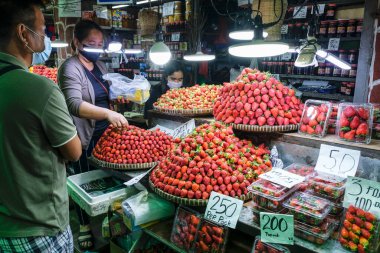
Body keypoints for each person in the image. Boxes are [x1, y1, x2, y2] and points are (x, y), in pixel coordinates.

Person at [0, 0, 82, 252]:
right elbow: (74, 151)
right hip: (39, 228)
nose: (46, 36)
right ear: (23, 33)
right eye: (43, 29)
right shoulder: (39, 89)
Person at [58, 19, 128, 250]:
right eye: (91, 43)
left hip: (106, 136)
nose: (96, 48)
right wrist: (107, 113)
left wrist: (120, 97)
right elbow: (74, 104)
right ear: (77, 42)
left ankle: (105, 220)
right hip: (83, 137)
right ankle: (84, 225)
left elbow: (106, 95)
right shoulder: (70, 68)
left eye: (100, 44)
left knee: (105, 182)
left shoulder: (101, 67)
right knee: (83, 183)